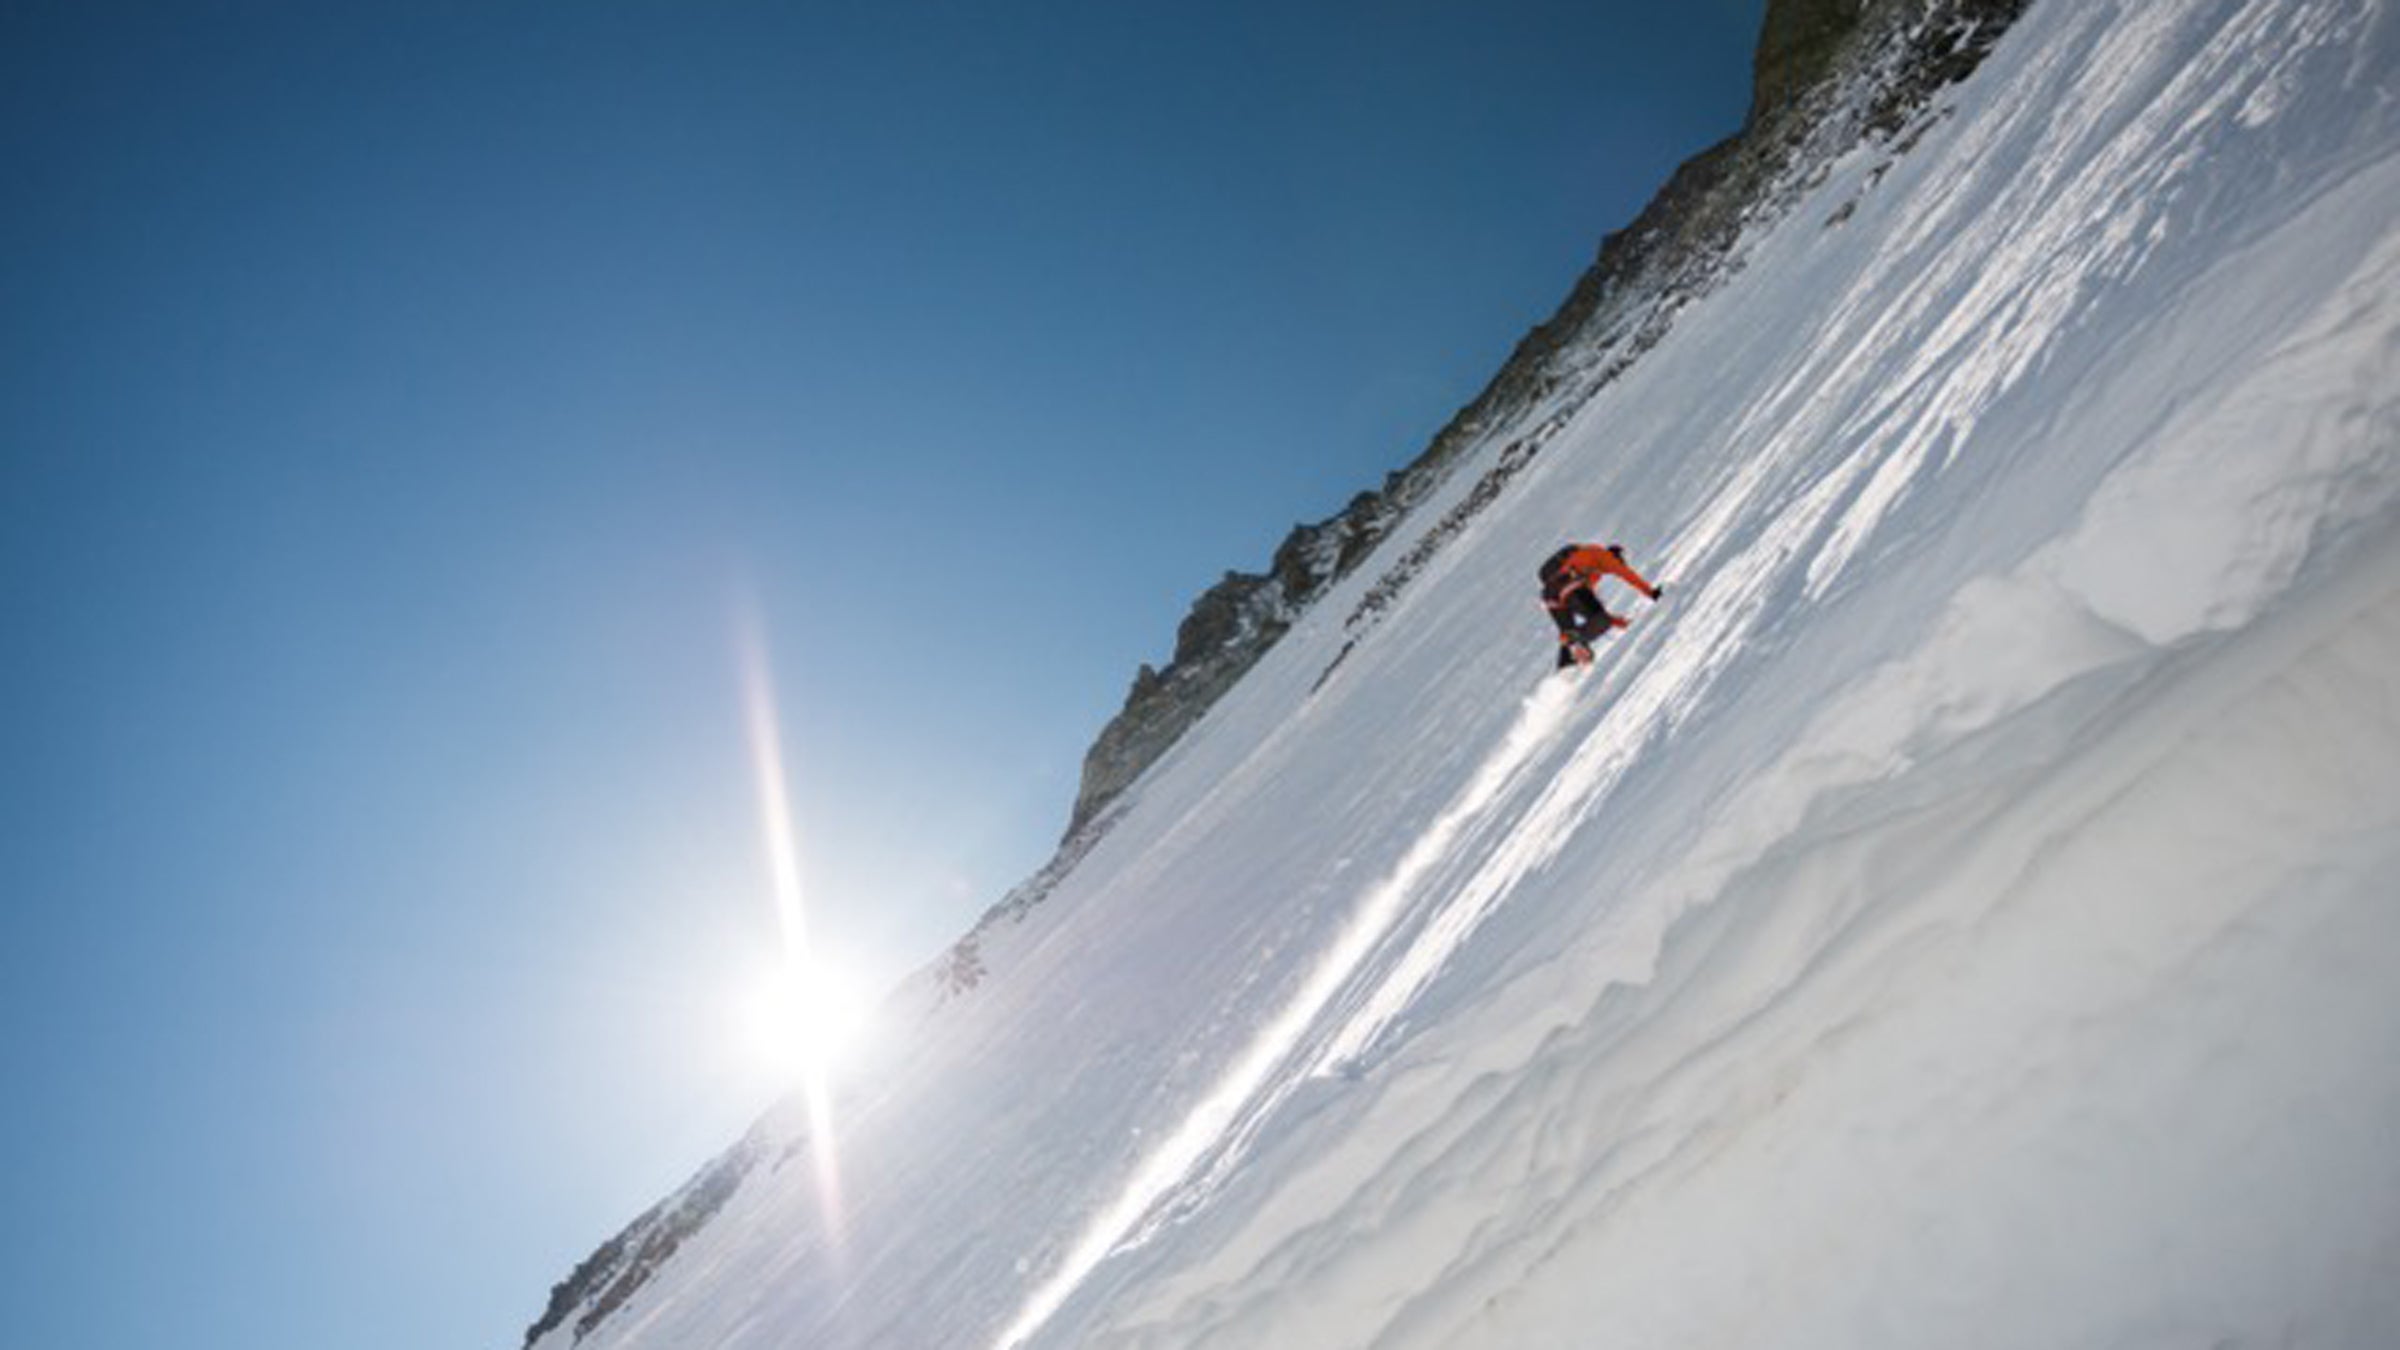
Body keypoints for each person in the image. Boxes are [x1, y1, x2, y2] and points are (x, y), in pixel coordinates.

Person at [1539, 542, 1663, 668]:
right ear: (1616, 556)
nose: (1619, 566)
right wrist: (1652, 593)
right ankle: (1574, 643)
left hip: (1551, 597)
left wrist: (1617, 622)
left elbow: (1587, 606)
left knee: (1571, 634)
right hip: (1566, 583)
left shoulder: (1590, 570)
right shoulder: (1604, 556)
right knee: (1596, 623)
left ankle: (1566, 667)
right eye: (1621, 561)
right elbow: (1627, 575)